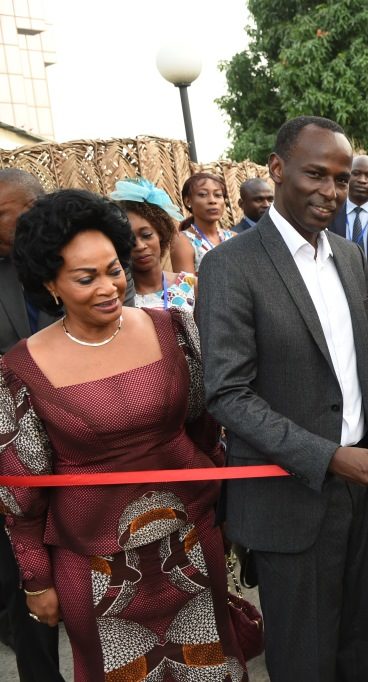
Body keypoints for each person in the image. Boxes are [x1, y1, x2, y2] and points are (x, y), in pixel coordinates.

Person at [196, 116, 368, 681]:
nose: (331, 192)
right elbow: (227, 394)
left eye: (340, 179)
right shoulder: (230, 266)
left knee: (365, 651)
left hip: (361, 495)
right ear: (276, 169)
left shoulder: (346, 255)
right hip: (288, 503)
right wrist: (328, 456)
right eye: (316, 174)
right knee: (305, 664)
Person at [0, 189, 247, 680]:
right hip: (94, 566)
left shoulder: (174, 330)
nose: (110, 287)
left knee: (209, 667)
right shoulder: (19, 369)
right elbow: (20, 490)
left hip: (191, 541)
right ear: (51, 283)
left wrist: (219, 505)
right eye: (86, 278)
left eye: (114, 269)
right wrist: (35, 579)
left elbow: (205, 429)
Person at [0, 168, 64, 681]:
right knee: (26, 580)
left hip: (83, 444)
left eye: (4, 211)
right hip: (16, 456)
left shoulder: (77, 261)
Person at [110, 178, 197, 312]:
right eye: (129, 239)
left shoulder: (190, 286)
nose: (139, 246)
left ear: (161, 233)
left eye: (146, 235)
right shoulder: (118, 297)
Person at [170, 172, 235, 273]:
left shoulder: (234, 237)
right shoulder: (183, 241)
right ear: (188, 201)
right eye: (203, 195)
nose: (212, 201)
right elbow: (187, 287)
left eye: (218, 195)